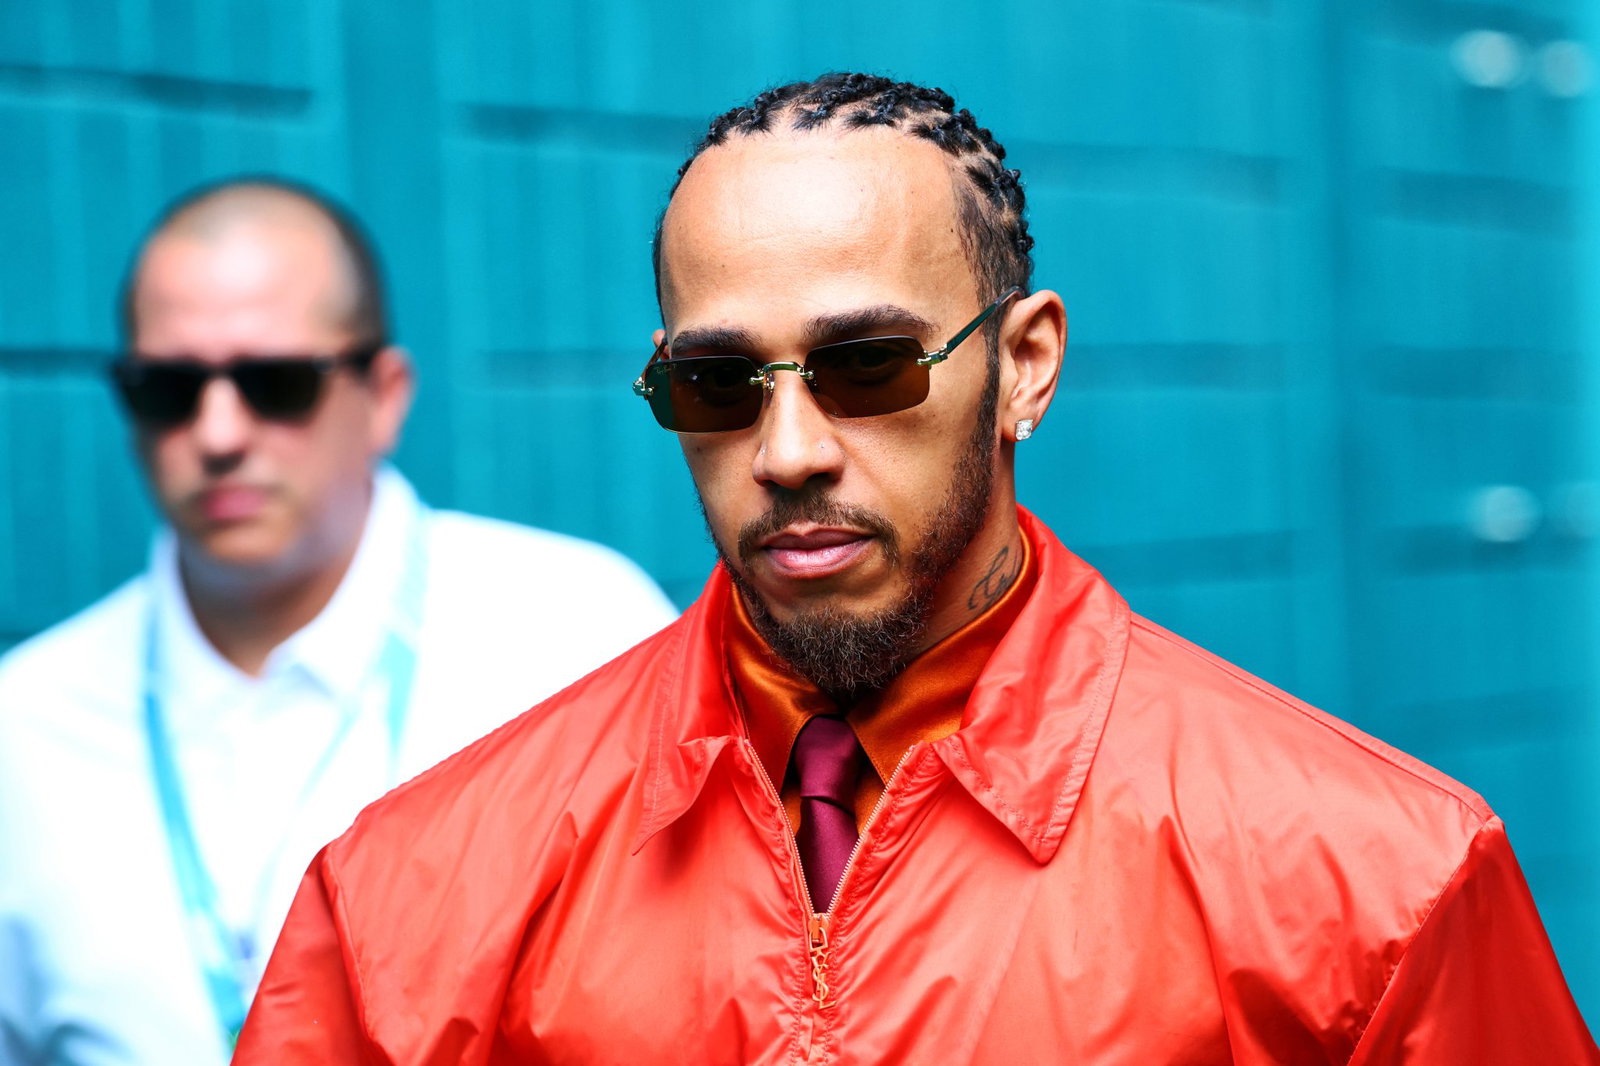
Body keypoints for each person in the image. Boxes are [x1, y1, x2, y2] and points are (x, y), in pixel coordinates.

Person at [235, 75, 1598, 1064]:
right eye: (716, 381)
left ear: (1024, 365)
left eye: (866, 366)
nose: (785, 450)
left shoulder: (1377, 883)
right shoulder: (412, 895)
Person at [0, 179, 678, 1065]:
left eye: (275, 382)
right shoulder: (26, 728)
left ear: (386, 395)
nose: (217, 433)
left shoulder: (580, 635)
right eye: (167, 388)